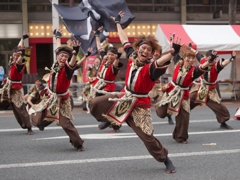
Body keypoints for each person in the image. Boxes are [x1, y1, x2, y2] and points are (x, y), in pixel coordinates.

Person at [90, 11, 182, 174]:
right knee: (96, 103)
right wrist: (118, 22)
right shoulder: (132, 56)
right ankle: (111, 121)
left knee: (147, 138)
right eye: (143, 48)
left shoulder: (151, 68)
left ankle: (165, 159)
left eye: (148, 49)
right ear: (137, 49)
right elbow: (124, 39)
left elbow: (160, 61)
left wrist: (172, 53)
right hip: (125, 97)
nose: (145, 51)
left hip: (140, 104)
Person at [28, 29, 92, 152]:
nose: (63, 58)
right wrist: (57, 37)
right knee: (38, 119)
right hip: (50, 96)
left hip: (62, 100)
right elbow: (58, 48)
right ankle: (41, 124)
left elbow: (73, 63)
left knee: (65, 123)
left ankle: (78, 144)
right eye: (61, 56)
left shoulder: (68, 69)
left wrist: (75, 53)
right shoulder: (55, 64)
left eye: (65, 57)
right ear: (57, 56)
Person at [155, 44, 216, 144]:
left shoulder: (193, 71)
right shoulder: (178, 63)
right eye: (189, 57)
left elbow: (202, 67)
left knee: (184, 117)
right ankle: (158, 101)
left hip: (184, 95)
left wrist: (210, 60)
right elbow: (177, 53)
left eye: (193, 58)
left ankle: (180, 137)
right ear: (184, 58)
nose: (191, 60)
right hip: (171, 91)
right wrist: (176, 47)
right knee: (162, 113)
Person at [189, 50, 236, 130]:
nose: (214, 60)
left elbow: (224, 63)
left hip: (210, 91)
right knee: (186, 102)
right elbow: (197, 53)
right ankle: (179, 116)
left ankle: (223, 122)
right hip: (200, 88)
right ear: (207, 57)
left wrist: (232, 58)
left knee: (219, 108)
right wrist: (190, 48)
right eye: (212, 58)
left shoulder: (216, 66)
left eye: (215, 58)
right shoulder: (203, 60)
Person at [90, 27, 123, 132]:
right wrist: (96, 35)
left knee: (102, 105)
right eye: (109, 54)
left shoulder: (114, 65)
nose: (109, 56)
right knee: (95, 104)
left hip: (107, 88)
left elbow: (116, 64)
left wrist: (118, 57)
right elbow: (99, 46)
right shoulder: (104, 59)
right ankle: (114, 124)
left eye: (112, 55)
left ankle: (108, 121)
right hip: (98, 84)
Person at [0, 33, 34, 135]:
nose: (16, 55)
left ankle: (29, 127)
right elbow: (18, 47)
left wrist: (21, 53)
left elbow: (20, 56)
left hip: (16, 89)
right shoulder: (13, 60)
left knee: (20, 108)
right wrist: (22, 38)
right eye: (15, 54)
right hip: (7, 86)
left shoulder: (20, 62)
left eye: (18, 54)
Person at [148, 49, 174, 125]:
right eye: (154, 51)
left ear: (160, 54)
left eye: (158, 52)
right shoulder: (147, 60)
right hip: (147, 88)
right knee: (142, 105)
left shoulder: (162, 61)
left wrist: (171, 53)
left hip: (157, 88)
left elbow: (168, 62)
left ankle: (169, 116)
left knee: (163, 103)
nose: (156, 53)